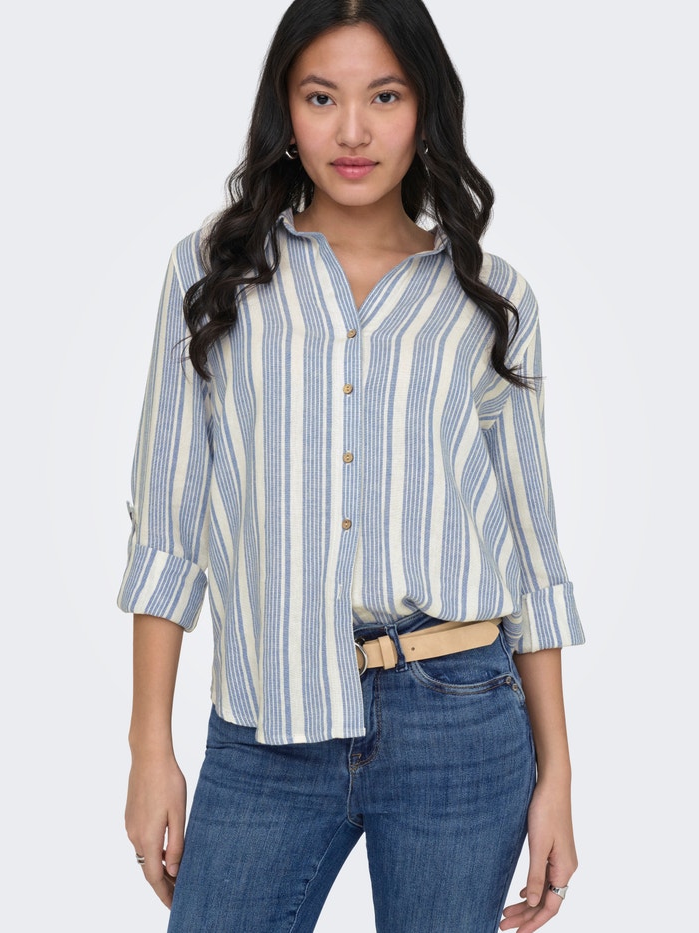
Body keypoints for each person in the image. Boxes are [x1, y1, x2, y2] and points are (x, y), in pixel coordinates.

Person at [119, 1, 585, 930]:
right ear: (285, 112)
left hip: (461, 714)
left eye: (386, 96)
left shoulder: (491, 299)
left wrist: (559, 775)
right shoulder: (212, 275)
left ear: (426, 108)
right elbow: (167, 526)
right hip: (267, 719)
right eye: (322, 97)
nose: (354, 131)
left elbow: (530, 547)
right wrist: (149, 749)